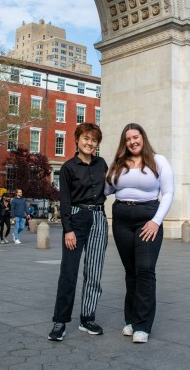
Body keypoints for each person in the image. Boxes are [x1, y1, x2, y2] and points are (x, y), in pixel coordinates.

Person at [105, 123, 174, 344]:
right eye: (128, 139)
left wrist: (156, 221)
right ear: (124, 142)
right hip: (122, 218)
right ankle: (132, 321)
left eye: (136, 137)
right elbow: (107, 190)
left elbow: (169, 192)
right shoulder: (118, 164)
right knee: (130, 271)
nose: (132, 142)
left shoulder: (158, 160)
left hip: (148, 218)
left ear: (143, 138)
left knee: (145, 269)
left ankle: (142, 326)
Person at [48, 123, 108, 342]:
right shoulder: (68, 168)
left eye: (94, 140)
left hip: (99, 219)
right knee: (69, 271)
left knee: (94, 271)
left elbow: (110, 186)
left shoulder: (102, 164)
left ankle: (87, 318)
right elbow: (64, 201)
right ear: (77, 139)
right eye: (86, 138)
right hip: (76, 217)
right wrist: (68, 229)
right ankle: (60, 321)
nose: (89, 143)